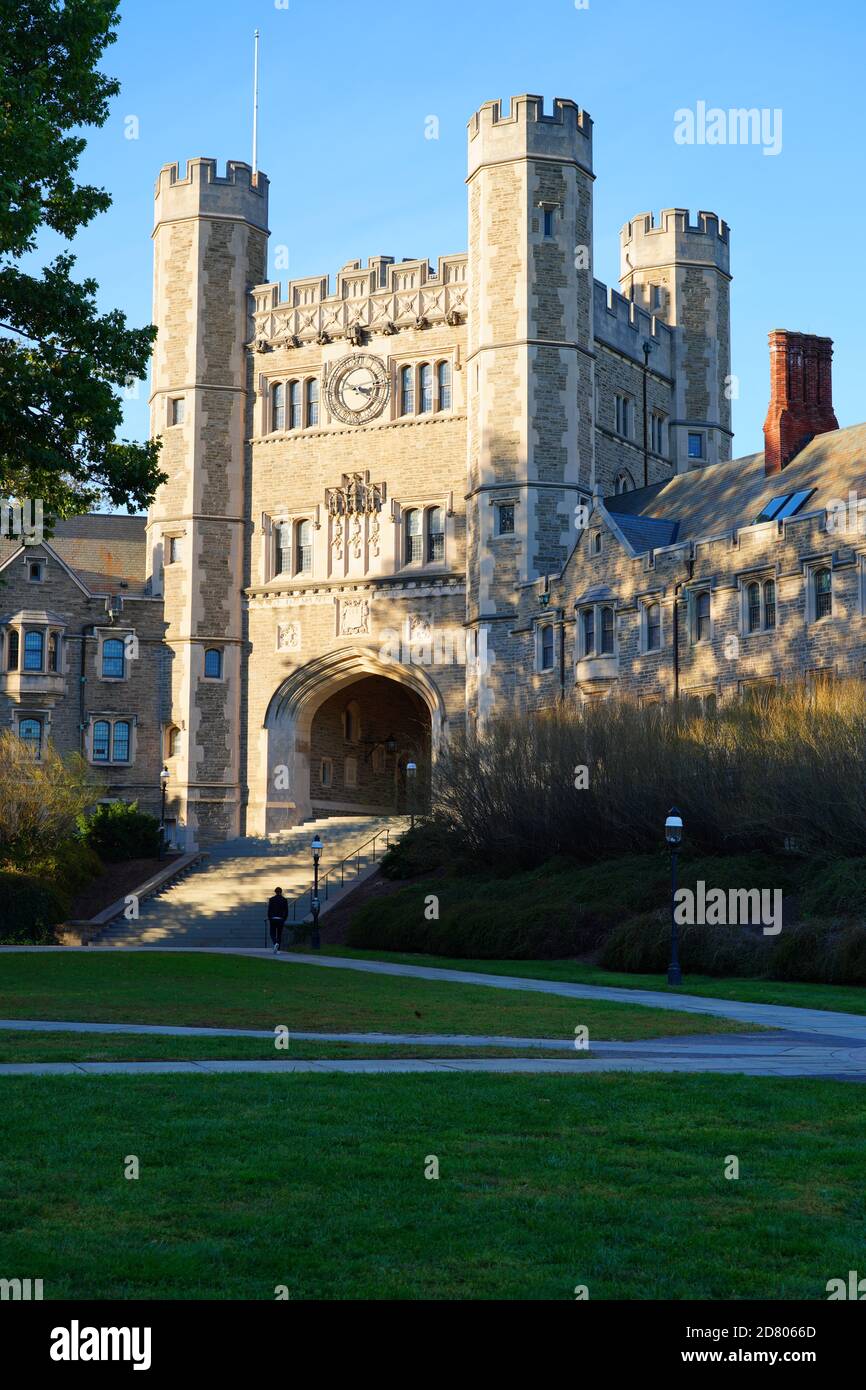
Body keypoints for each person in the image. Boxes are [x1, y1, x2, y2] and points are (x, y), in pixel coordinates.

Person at [267, 887, 289, 953]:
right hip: (281, 919)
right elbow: (286, 910)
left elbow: (269, 909)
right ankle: (278, 949)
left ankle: (275, 942)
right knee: (279, 934)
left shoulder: (272, 899)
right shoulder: (284, 900)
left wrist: (270, 917)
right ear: (281, 892)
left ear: (275, 892)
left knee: (272, 933)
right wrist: (284, 918)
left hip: (273, 918)